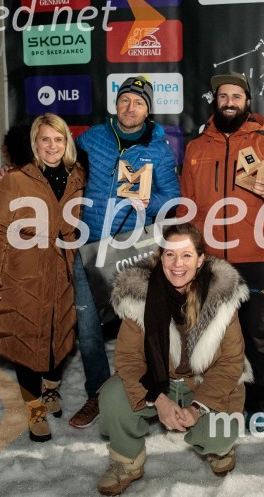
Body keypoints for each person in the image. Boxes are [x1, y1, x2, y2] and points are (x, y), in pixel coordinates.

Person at [179, 72, 264, 431]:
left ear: (247, 101)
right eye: (223, 96)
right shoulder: (196, 147)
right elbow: (187, 204)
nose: (229, 101)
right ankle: (216, 399)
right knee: (208, 335)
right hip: (209, 259)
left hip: (253, 256)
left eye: (236, 96)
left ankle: (259, 403)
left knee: (257, 336)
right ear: (215, 101)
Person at [97, 222, 248, 495]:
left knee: (220, 434)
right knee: (113, 395)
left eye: (186, 255)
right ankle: (126, 461)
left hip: (202, 383)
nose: (178, 263)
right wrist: (159, 398)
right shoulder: (139, 297)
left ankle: (219, 449)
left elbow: (230, 363)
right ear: (161, 257)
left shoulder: (222, 298)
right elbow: (129, 361)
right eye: (170, 254)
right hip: (158, 381)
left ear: (200, 260)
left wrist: (197, 408)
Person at [70, 75, 181, 429]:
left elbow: (174, 199)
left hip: (133, 252)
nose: (130, 108)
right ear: (115, 104)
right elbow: (58, 168)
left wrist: (152, 202)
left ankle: (144, 395)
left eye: (138, 102)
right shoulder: (91, 138)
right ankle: (98, 395)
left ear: (148, 109)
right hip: (89, 249)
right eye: (124, 100)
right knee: (88, 331)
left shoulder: (159, 149)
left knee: (139, 330)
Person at [0, 114, 86, 442]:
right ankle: (35, 410)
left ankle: (51, 390)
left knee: (59, 337)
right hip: (22, 270)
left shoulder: (77, 176)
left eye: (58, 139)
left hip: (62, 270)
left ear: (66, 142)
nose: (52, 146)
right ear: (34, 143)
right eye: (45, 139)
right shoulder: (15, 180)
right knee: (26, 340)